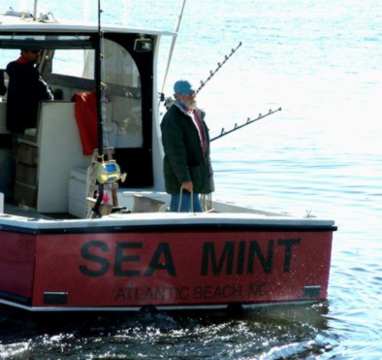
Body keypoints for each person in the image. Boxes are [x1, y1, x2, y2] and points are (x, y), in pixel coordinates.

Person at [161, 80, 214, 212]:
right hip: (182, 180)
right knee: (179, 218)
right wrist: (185, 179)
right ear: (177, 96)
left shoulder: (195, 113)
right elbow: (174, 153)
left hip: (195, 177)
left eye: (192, 92)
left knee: (197, 217)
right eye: (188, 93)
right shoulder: (171, 119)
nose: (192, 96)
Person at [6, 47, 53, 134]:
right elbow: (46, 96)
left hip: (13, 122)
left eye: (39, 52)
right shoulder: (30, 72)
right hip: (27, 123)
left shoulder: (11, 67)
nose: (38, 54)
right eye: (35, 51)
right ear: (24, 52)